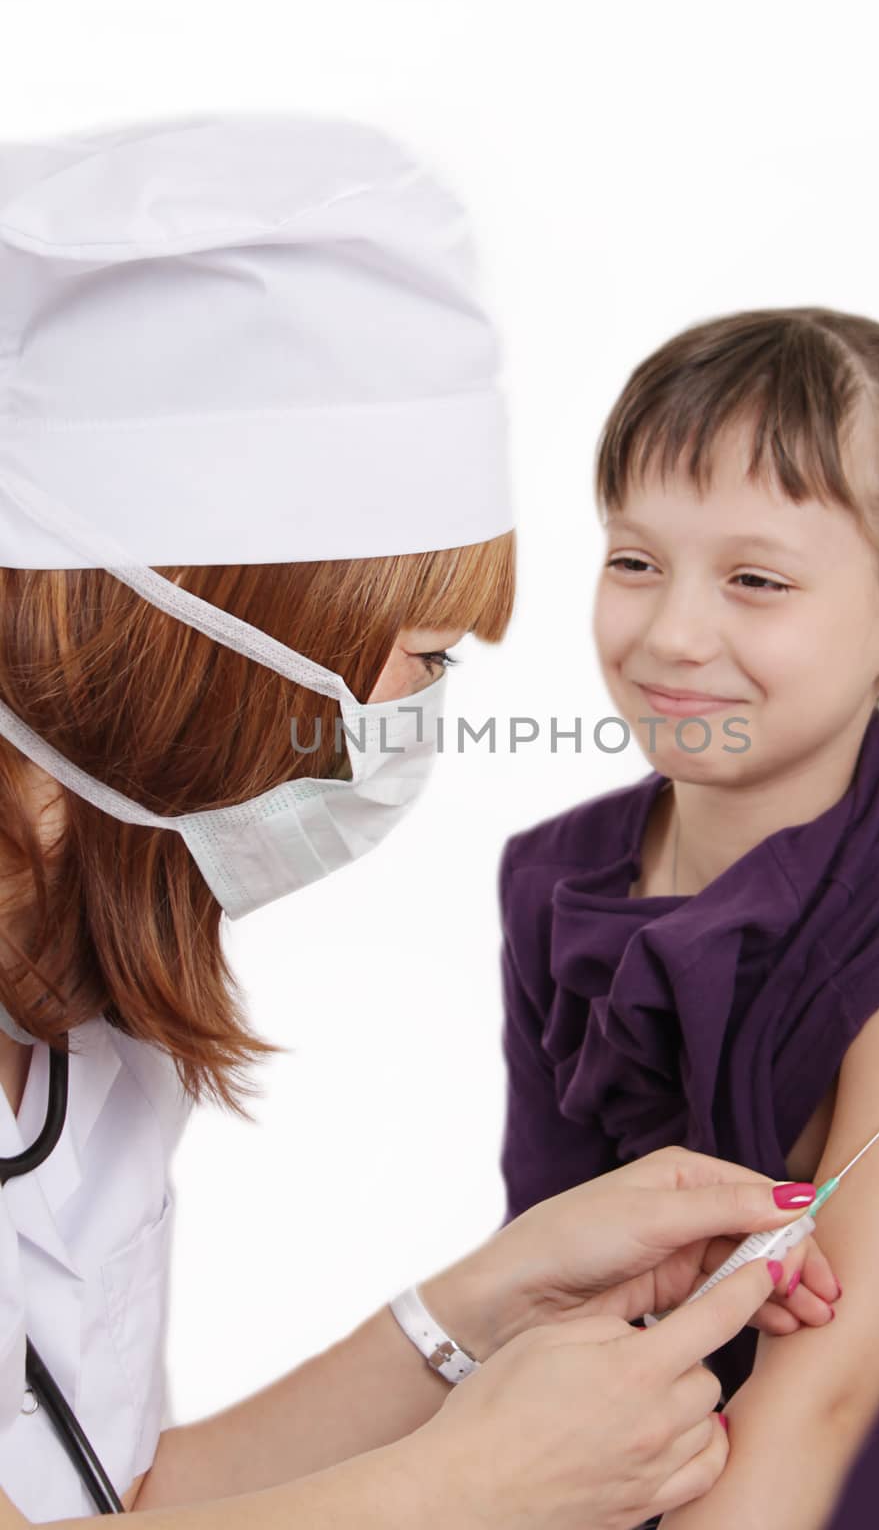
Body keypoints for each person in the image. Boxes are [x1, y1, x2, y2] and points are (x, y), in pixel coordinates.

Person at [0, 115, 835, 1528]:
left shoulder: (79, 1016)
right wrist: (466, 1491)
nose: (418, 718)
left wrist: (477, 1310)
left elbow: (109, 1499)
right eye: (424, 657)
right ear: (207, 637)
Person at [497, 307, 879, 1528]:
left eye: (755, 580)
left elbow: (814, 1415)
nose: (671, 633)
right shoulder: (554, 878)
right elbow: (533, 1311)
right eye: (634, 560)